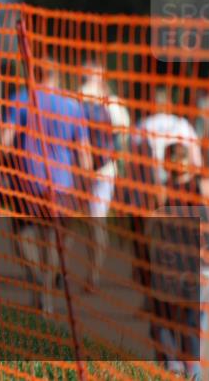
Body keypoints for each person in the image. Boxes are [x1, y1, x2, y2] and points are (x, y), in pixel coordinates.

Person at [0, 63, 93, 315]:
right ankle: (47, 294)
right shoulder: (73, 107)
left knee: (22, 237)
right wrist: (85, 187)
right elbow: (85, 158)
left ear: (32, 74)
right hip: (61, 186)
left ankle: (38, 282)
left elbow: (3, 145)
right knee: (53, 241)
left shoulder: (19, 99)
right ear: (57, 76)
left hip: (26, 182)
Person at [149, 142, 209, 380]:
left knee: (168, 321)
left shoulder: (166, 190)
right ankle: (189, 372)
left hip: (183, 265)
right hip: (197, 265)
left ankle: (176, 370)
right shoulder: (204, 186)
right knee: (193, 323)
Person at [78, 60, 131, 289]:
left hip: (80, 168)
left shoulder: (78, 96)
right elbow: (123, 138)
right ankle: (94, 274)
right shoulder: (114, 104)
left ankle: (62, 267)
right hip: (105, 169)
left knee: (74, 221)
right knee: (96, 222)